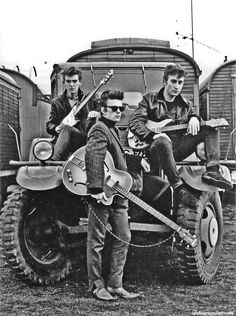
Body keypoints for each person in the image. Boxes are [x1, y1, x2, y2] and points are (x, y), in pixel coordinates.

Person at [85, 90, 150, 301]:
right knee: (97, 241)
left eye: (121, 108)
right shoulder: (99, 128)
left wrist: (136, 161)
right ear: (102, 110)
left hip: (118, 194)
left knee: (124, 236)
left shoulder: (112, 129)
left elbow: (115, 159)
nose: (118, 112)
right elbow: (94, 155)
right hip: (102, 194)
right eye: (114, 108)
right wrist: (96, 191)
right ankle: (97, 286)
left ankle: (115, 284)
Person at [129, 63, 232, 191]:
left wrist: (195, 118)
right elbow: (135, 122)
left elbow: (194, 117)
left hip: (177, 149)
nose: (177, 86)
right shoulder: (150, 99)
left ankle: (212, 171)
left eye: (180, 82)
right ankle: (177, 185)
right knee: (163, 141)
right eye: (173, 81)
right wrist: (153, 135)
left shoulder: (186, 105)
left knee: (210, 128)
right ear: (165, 82)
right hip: (153, 149)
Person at [46, 66, 99, 160]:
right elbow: (49, 125)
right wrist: (56, 128)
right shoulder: (56, 102)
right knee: (65, 128)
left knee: (66, 128)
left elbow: (102, 111)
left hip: (84, 140)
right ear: (64, 83)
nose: (71, 84)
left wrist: (96, 112)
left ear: (80, 83)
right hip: (63, 143)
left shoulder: (89, 99)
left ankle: (53, 161)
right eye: (68, 81)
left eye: (74, 81)